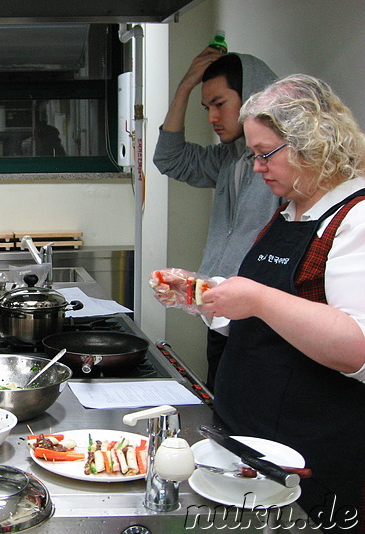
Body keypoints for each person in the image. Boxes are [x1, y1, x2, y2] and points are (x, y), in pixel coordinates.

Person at [158, 74, 365, 532]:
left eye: (264, 154)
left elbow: (356, 349)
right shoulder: (290, 209)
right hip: (247, 435)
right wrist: (201, 294)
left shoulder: (356, 219)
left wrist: (257, 297)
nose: (256, 168)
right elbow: (267, 316)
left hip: (309, 448)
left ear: (315, 144)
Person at [153, 49, 281, 392]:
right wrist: (184, 86)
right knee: (221, 412)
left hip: (263, 327)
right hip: (220, 318)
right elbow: (169, 158)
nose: (212, 118)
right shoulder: (229, 159)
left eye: (219, 104)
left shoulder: (284, 169)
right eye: (206, 107)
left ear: (254, 98)